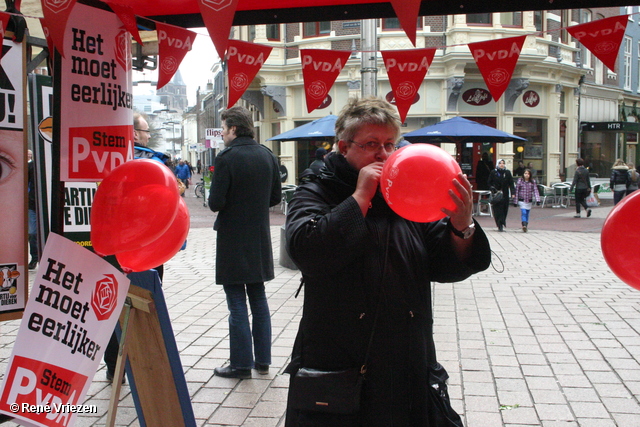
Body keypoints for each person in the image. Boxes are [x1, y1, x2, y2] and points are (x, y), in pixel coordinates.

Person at [283, 97, 491, 426]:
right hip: (341, 363)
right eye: (371, 144)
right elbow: (306, 250)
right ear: (343, 147)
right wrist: (359, 198)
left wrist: (461, 226)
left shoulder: (405, 191)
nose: (383, 154)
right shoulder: (317, 189)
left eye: (390, 144)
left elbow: (444, 263)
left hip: (405, 361)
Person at [208, 106, 282, 379]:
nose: (223, 134)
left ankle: (240, 364)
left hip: (232, 238)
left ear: (234, 129)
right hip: (259, 236)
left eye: (224, 129)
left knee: (236, 300)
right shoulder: (267, 155)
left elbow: (216, 203)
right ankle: (262, 360)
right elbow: (275, 197)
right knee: (258, 297)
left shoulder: (226, 158)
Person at [488, 159, 515, 232]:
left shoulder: (507, 173)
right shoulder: (494, 172)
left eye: (503, 163)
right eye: (500, 163)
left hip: (505, 194)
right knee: (497, 210)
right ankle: (499, 224)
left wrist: (513, 193)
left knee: (504, 209)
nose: (502, 165)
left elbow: (511, 183)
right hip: (496, 194)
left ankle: (502, 222)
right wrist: (492, 188)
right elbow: (489, 182)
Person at [27, 150, 39, 270]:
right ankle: (35, 258)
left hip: (45, 204)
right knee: (32, 233)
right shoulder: (31, 166)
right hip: (32, 205)